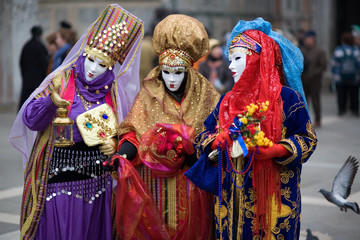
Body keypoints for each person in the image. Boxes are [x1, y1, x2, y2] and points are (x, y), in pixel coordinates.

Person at [9, 4, 144, 239]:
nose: (93, 69)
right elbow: (31, 119)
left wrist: (114, 146)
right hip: (58, 179)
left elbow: (125, 131)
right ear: (83, 54)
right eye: (90, 59)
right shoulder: (61, 81)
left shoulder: (112, 92)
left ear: (111, 68)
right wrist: (51, 102)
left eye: (102, 65)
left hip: (97, 183)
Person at [185, 18, 317, 240]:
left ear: (258, 60)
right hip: (230, 201)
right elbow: (202, 137)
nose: (230, 66)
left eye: (237, 58)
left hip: (275, 201)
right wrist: (217, 141)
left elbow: (308, 139)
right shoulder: (227, 101)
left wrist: (276, 151)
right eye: (230, 59)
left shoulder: (287, 99)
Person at [104, 14, 220, 239]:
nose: (172, 79)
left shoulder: (207, 95)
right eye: (166, 72)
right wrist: (122, 155)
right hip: (155, 185)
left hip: (192, 186)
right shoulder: (148, 95)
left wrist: (202, 153)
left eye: (178, 73)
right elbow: (133, 131)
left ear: (188, 71)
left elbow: (217, 134)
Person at [300, 30, 327, 127]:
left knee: (315, 100)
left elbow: (323, 66)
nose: (305, 41)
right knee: (304, 101)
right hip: (304, 80)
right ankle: (305, 120)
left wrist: (314, 73)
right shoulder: (302, 50)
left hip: (315, 81)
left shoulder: (319, 51)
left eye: (307, 39)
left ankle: (318, 120)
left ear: (312, 39)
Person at [19, 25, 49, 111]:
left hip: (27, 79)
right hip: (39, 79)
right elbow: (45, 64)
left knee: (25, 101)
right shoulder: (41, 47)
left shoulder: (26, 46)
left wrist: (24, 75)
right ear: (40, 35)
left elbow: (21, 63)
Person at [331, 31, 360, 116]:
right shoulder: (356, 50)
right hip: (354, 77)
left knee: (341, 94)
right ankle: (355, 110)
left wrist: (333, 73)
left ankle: (341, 110)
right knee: (354, 94)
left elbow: (333, 64)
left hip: (340, 77)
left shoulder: (339, 50)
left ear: (343, 40)